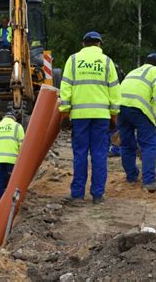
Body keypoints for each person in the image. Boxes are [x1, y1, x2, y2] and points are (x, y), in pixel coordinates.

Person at [59, 31, 121, 204]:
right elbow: (115, 91)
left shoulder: (73, 60)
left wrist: (65, 113)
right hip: (101, 116)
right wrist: (114, 116)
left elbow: (66, 88)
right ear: (99, 44)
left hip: (79, 116)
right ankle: (98, 195)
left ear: (83, 44)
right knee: (100, 154)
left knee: (80, 154)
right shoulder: (107, 62)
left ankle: (77, 195)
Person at [118, 53, 156, 192]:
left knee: (127, 144)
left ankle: (131, 176)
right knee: (149, 144)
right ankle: (149, 181)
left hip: (121, 108)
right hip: (139, 109)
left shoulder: (134, 71)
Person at [0, 111, 24, 205]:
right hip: (12, 161)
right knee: (12, 184)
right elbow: (22, 146)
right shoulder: (17, 126)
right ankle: (11, 206)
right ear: (14, 118)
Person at [108, 63, 126, 157]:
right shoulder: (117, 69)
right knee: (115, 127)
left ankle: (115, 149)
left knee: (113, 127)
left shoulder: (111, 70)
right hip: (118, 101)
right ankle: (114, 148)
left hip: (113, 102)